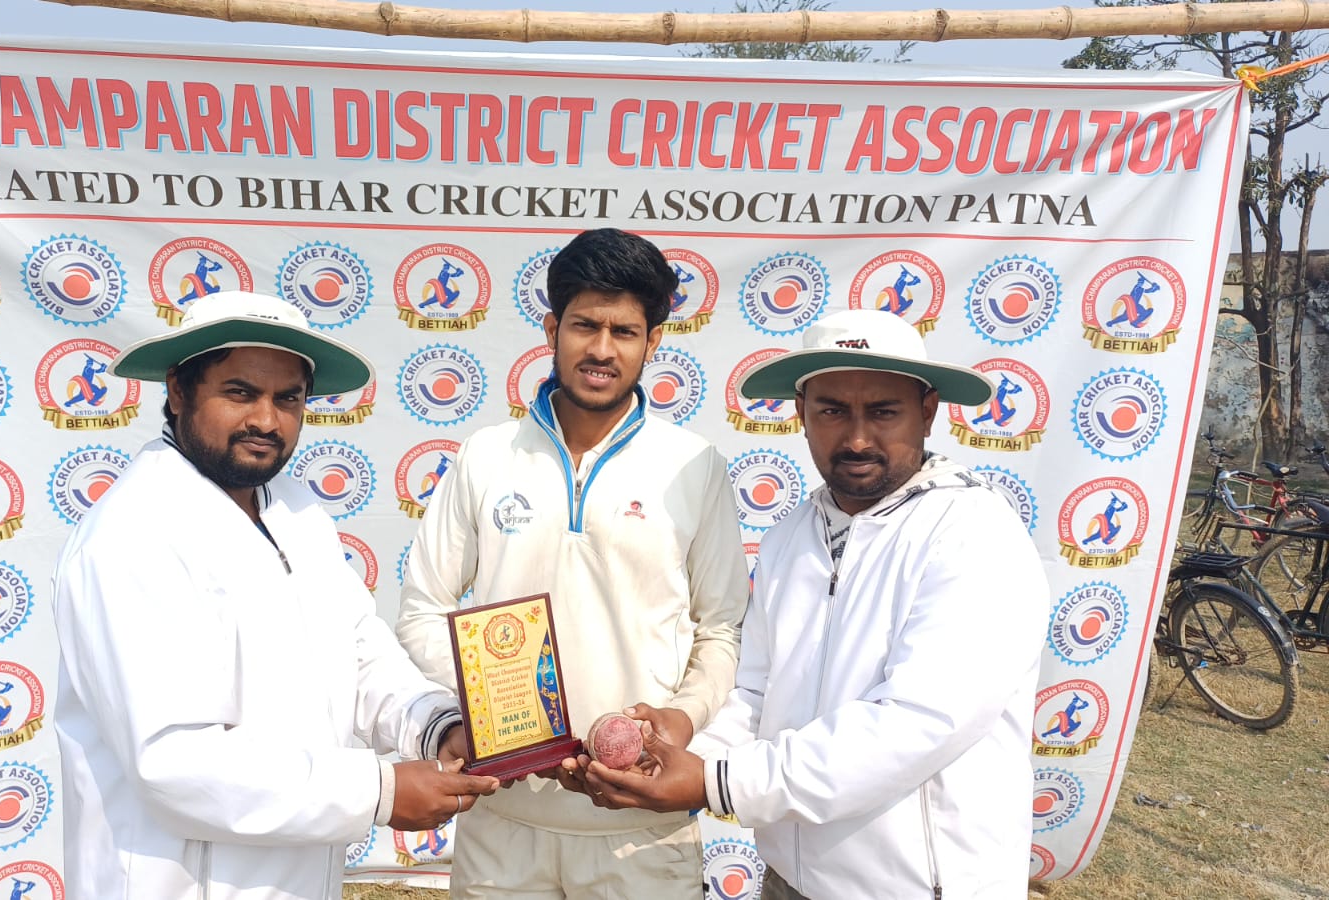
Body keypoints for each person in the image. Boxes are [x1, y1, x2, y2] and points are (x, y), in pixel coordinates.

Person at [585, 308, 1050, 900]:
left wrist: (716, 782)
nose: (856, 438)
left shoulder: (973, 532)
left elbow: (918, 722)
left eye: (883, 412)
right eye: (832, 411)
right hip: (790, 879)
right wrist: (670, 755)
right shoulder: (791, 536)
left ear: (928, 411)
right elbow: (756, 694)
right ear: (801, 413)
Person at [52, 291, 497, 900]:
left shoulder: (293, 508)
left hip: (300, 877)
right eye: (240, 393)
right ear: (178, 391)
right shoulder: (133, 535)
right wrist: (380, 791)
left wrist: (435, 726)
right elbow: (173, 762)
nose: (266, 420)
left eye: (288, 399)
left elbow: (358, 650)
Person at [396, 228, 749, 898]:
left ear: (653, 342)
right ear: (553, 329)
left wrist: (681, 718)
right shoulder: (486, 455)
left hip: (642, 821)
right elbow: (422, 610)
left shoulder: (694, 465)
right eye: (585, 326)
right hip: (503, 818)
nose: (602, 350)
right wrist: (488, 710)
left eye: (624, 332)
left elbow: (722, 629)